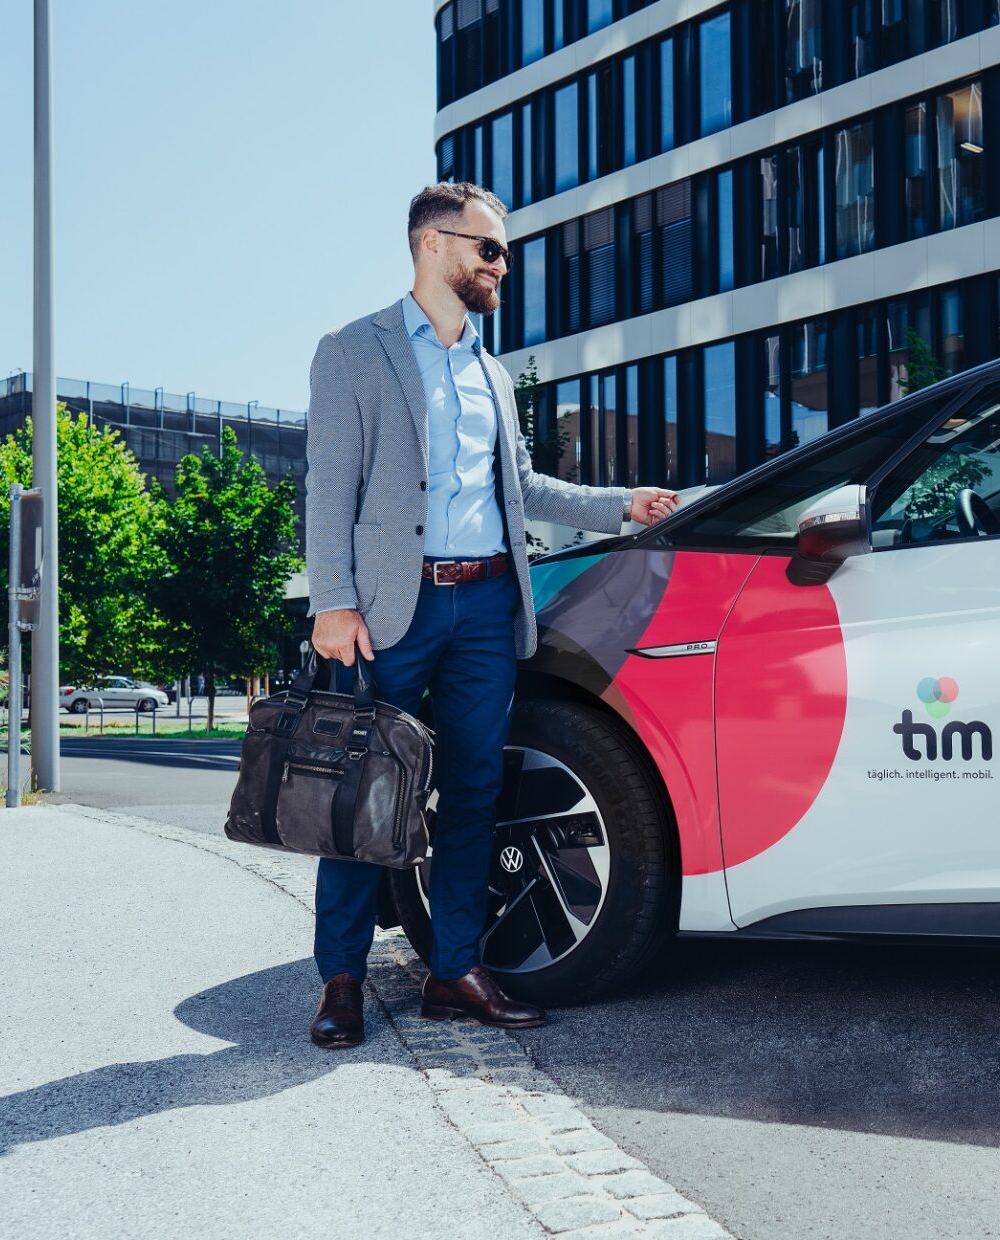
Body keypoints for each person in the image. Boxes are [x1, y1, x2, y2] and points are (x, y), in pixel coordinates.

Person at [301, 182, 680, 1049]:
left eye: (501, 251)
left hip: (483, 608)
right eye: (489, 249)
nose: (501, 265)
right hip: (391, 611)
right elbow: (330, 487)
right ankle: (343, 980)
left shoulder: (490, 371)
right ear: (434, 245)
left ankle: (454, 972)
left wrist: (626, 505)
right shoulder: (353, 353)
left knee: (474, 790)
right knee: (367, 796)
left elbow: (525, 490)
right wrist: (333, 600)